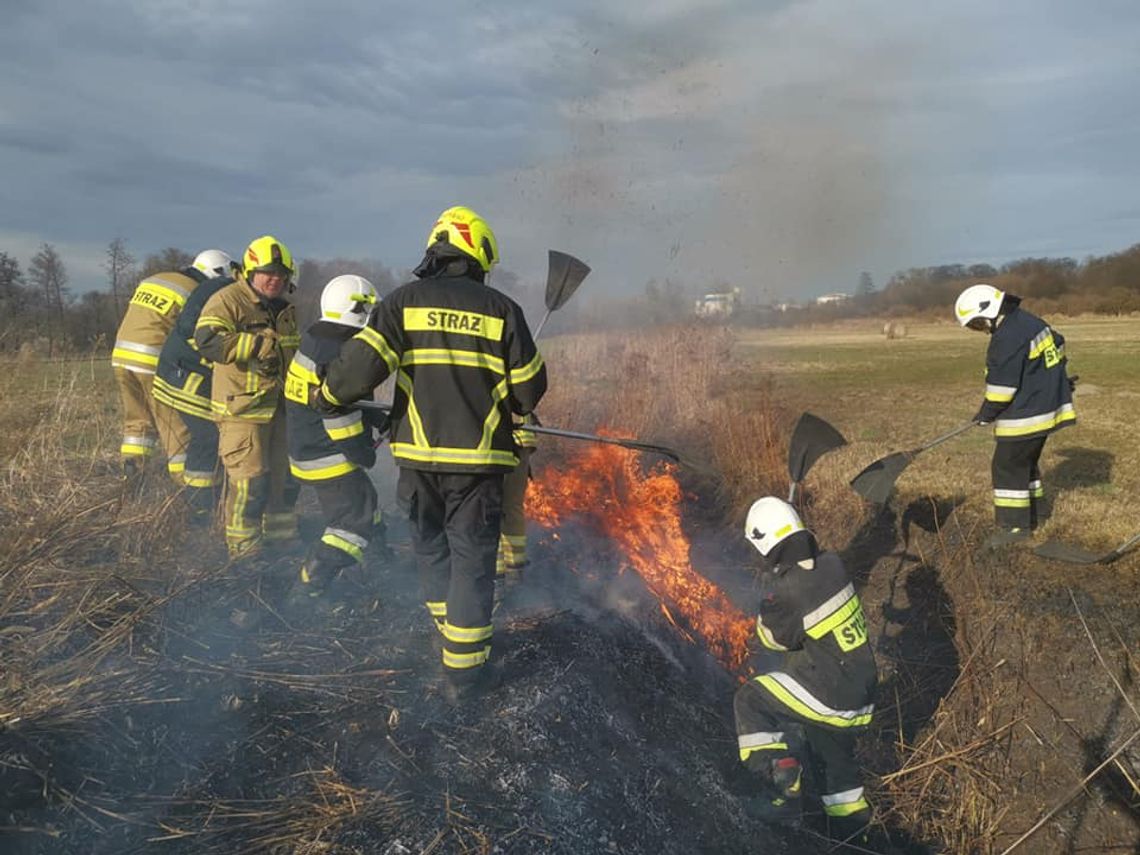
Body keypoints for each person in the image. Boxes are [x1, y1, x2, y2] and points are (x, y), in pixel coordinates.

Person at [312, 205, 546, 702]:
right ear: (479, 255)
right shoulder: (504, 310)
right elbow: (528, 393)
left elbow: (359, 371)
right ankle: (464, 673)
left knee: (431, 548)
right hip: (480, 464)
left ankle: (447, 635)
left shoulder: (402, 303)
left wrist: (328, 395)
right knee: (472, 561)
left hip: (418, 461)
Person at [734, 497, 876, 839]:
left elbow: (772, 639)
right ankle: (855, 833)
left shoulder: (791, 589)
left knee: (750, 700)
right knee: (833, 764)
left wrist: (771, 599)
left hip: (833, 693)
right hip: (861, 696)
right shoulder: (833, 564)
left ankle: (781, 785)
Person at [194, 235, 301, 558]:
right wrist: (258, 346)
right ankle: (244, 555)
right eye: (267, 273)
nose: (275, 279)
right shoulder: (229, 300)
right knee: (249, 487)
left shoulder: (285, 310)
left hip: (278, 410)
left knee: (282, 484)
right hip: (242, 409)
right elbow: (207, 339)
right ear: (249, 272)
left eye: (281, 275)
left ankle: (281, 546)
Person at [284, 274, 387, 605]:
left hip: (307, 446)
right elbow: (339, 414)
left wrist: (381, 417)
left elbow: (349, 399)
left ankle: (384, 568)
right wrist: (361, 453)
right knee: (351, 527)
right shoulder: (342, 351)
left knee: (367, 504)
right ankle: (306, 592)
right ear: (359, 310)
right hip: (328, 452)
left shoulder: (318, 337)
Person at [954, 284, 1076, 548]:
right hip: (1046, 408)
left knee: (1006, 466)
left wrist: (985, 415)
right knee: (1025, 463)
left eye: (976, 324)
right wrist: (1055, 378)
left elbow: (1001, 391)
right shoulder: (1028, 321)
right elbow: (1058, 343)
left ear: (987, 312)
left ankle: (1013, 528)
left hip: (1027, 415)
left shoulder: (1005, 339)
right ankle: (1036, 514)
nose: (979, 330)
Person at [112, 252, 223, 481]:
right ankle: (183, 486)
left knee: (137, 420)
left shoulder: (154, 279)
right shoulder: (196, 291)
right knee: (175, 426)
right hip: (153, 359)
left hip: (121, 356)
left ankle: (132, 472)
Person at [152, 250, 235, 519]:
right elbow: (196, 332)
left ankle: (193, 499)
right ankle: (200, 506)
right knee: (208, 437)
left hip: (172, 373)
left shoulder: (216, 289)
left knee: (194, 439)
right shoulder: (223, 293)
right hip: (186, 377)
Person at [496, 415, 537, 581]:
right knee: (512, 506)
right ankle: (515, 570)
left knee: (488, 508)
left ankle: (495, 574)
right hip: (521, 439)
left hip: (496, 442)